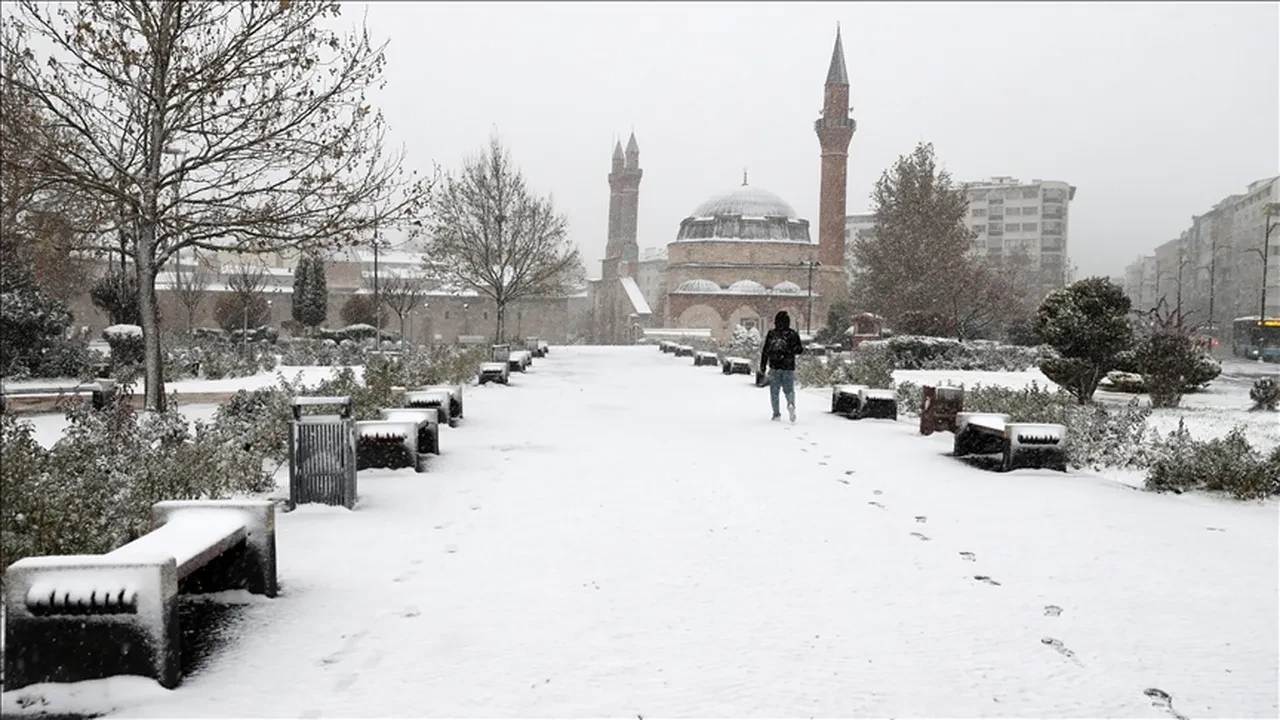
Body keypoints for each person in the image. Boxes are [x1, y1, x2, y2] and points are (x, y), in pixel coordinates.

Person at [759, 310, 805, 422]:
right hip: (788, 367)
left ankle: (776, 414)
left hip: (774, 367)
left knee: (774, 392)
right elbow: (799, 350)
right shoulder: (793, 334)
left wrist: (763, 366)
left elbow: (765, 351)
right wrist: (790, 350)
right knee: (789, 390)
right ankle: (791, 404)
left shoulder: (772, 334)